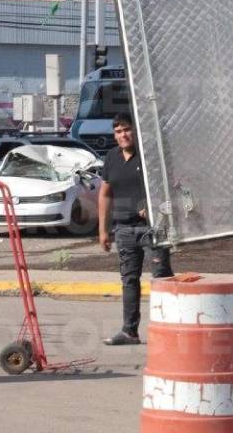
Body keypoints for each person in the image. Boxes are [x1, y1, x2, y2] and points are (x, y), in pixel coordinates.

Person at [98, 112, 173, 346]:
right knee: (129, 280)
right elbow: (105, 194)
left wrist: (152, 207)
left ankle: (169, 331)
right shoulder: (111, 158)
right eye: (118, 131)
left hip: (153, 229)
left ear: (136, 130)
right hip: (124, 229)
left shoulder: (149, 156)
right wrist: (103, 230)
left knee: (162, 279)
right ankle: (129, 331)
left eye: (127, 129)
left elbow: (168, 186)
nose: (123, 135)